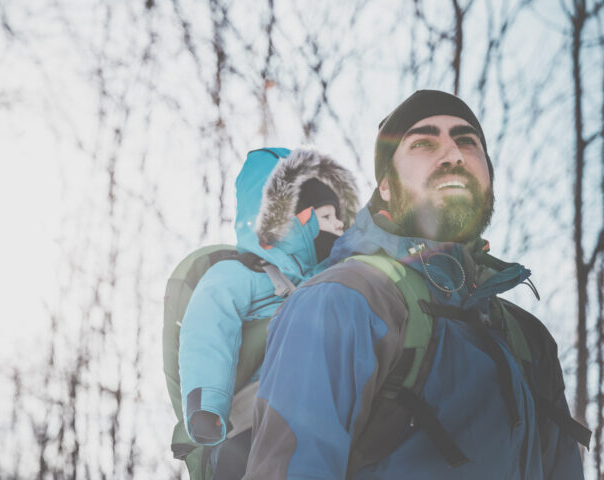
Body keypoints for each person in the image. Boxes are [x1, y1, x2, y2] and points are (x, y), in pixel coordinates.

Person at [244, 90, 587, 479]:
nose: (453, 154)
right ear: (386, 187)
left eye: (466, 141)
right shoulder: (343, 300)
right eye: (423, 143)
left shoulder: (530, 339)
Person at [179, 147, 359, 479]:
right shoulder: (238, 276)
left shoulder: (330, 286)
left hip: (320, 425)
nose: (339, 225)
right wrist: (207, 403)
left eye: (340, 217)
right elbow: (207, 330)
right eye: (328, 216)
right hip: (251, 423)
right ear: (297, 217)